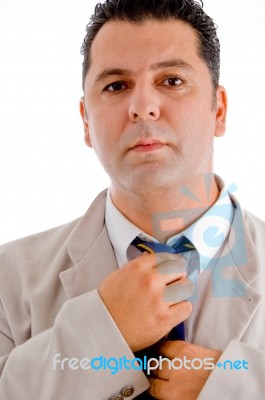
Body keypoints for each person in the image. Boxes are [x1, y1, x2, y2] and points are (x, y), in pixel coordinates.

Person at [0, 0, 264, 399]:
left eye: (172, 80)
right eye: (116, 85)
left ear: (219, 110)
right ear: (86, 121)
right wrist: (102, 331)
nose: (143, 107)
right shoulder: (6, 279)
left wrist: (234, 386)